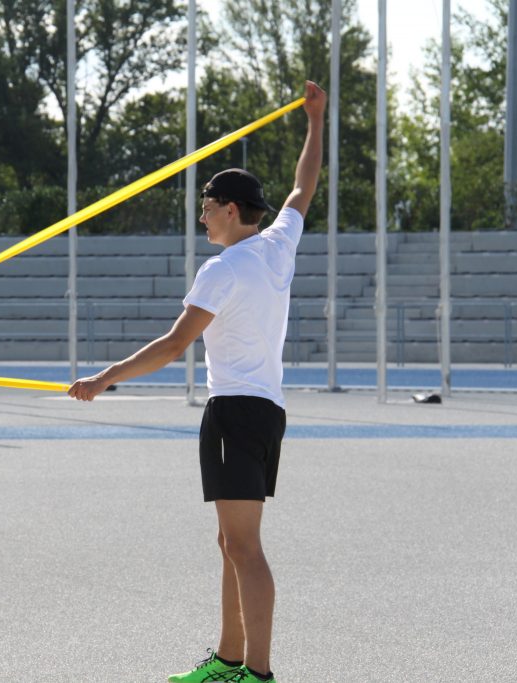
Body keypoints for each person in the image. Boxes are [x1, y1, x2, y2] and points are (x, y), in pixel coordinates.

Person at [68, 81, 326, 683]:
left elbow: (175, 343)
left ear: (231, 210)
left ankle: (255, 674)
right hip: (264, 412)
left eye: (208, 206)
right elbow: (302, 188)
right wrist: (316, 121)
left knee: (245, 549)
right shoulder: (275, 247)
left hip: (236, 412)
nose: (203, 216)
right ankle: (229, 661)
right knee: (230, 545)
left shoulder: (225, 267)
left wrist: (103, 379)